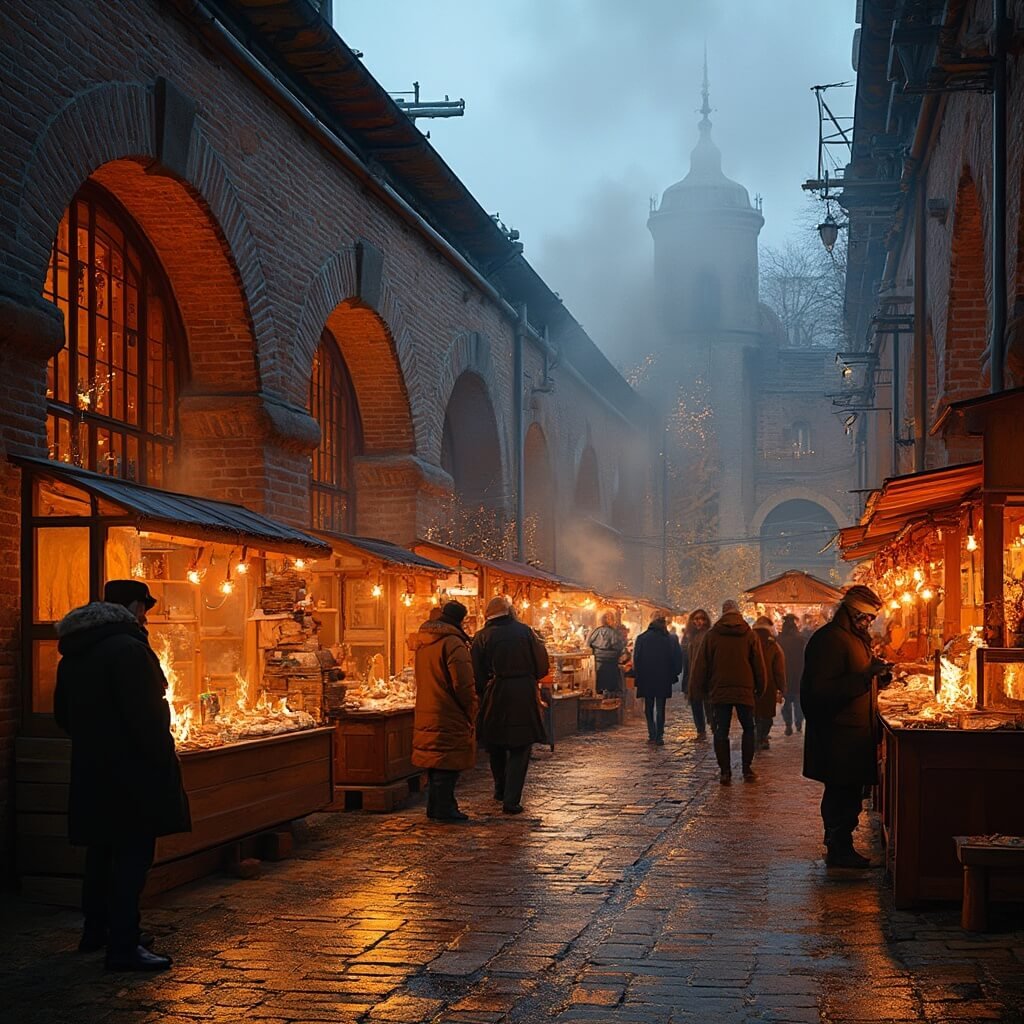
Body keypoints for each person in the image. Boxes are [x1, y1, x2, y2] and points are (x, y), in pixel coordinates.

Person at [53, 579, 190, 972]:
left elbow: (63, 715)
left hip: (93, 770)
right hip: (132, 773)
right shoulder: (129, 649)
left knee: (100, 854)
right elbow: (147, 717)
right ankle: (124, 946)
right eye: (143, 607)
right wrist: (161, 758)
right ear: (133, 607)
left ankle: (96, 931)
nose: (146, 615)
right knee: (132, 858)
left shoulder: (75, 653)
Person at [801, 585, 890, 869]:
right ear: (851, 613)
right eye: (865, 618)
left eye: (871, 619)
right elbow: (820, 691)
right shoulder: (829, 640)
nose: (869, 623)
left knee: (849, 792)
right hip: (838, 735)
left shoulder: (853, 639)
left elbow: (855, 677)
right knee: (840, 793)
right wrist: (866, 677)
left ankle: (842, 845)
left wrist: (879, 678)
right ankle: (838, 848)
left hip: (851, 734)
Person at [471, 596, 549, 815]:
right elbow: (542, 665)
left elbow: (475, 673)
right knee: (520, 746)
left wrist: (484, 689)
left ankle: (500, 790)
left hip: (495, 692)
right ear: (509, 611)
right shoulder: (525, 632)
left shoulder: (481, 637)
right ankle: (511, 799)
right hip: (523, 693)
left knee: (495, 743)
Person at [411, 600, 478, 823]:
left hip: (427, 705)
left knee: (435, 760)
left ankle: (436, 805)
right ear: (460, 620)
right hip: (448, 708)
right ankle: (444, 808)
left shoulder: (424, 642)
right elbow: (463, 683)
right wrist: (471, 707)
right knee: (447, 761)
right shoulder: (453, 643)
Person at [689, 599, 766, 785]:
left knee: (721, 731)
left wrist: (696, 690)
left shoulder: (712, 635)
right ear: (737, 612)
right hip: (745, 690)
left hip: (720, 690)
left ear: (723, 613)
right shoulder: (749, 634)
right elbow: (758, 663)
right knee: (749, 728)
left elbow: (701, 665)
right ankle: (747, 769)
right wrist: (761, 687)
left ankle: (725, 772)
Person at [632, 612, 683, 745]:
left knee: (648, 706)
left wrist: (638, 675)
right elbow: (678, 659)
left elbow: (636, 659)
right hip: (663, 677)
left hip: (646, 677)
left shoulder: (642, 638)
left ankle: (652, 733)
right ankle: (659, 735)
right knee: (661, 707)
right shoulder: (671, 639)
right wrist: (674, 674)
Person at [752, 616, 786, 750]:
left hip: (751, 685)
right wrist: (781, 687)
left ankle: (757, 736)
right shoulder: (773, 645)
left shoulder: (748, 641)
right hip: (768, 686)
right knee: (766, 716)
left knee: (755, 715)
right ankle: (761, 737)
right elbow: (779, 669)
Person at [680, 609, 712, 739]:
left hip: (706, 674)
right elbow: (685, 660)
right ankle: (700, 730)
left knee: (708, 703)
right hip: (692, 674)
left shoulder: (709, 635)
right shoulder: (689, 637)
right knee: (695, 703)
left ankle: (712, 725)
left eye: (702, 619)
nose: (699, 621)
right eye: (697, 619)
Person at [777, 613, 806, 735]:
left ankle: (788, 724)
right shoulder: (801, 640)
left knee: (787, 702)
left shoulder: (779, 640)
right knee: (799, 702)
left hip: (785, 675)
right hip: (799, 675)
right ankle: (798, 723)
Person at [587, 610, 626, 695]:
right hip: (610, 663)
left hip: (597, 662)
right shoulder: (613, 633)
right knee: (610, 686)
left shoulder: (596, 631)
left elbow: (589, 644)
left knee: (600, 683)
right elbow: (618, 647)